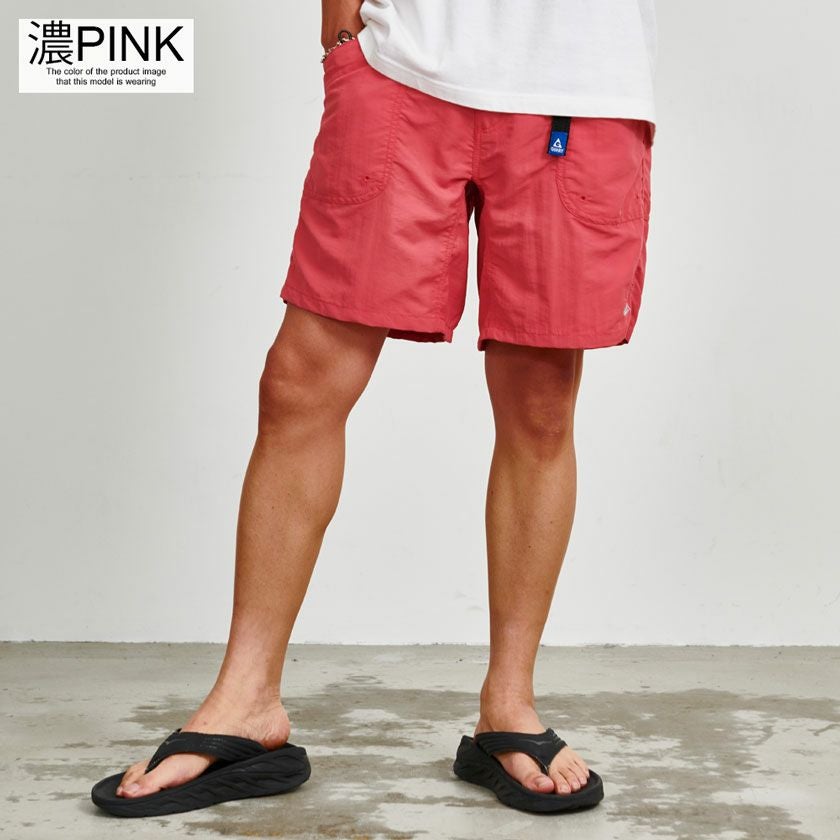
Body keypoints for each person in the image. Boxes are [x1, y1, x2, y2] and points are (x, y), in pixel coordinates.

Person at [91, 0, 657, 818]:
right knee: (300, 382)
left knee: (539, 406)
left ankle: (509, 706)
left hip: (578, 84)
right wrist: (343, 36)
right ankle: (246, 700)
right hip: (401, 66)